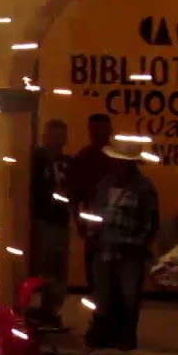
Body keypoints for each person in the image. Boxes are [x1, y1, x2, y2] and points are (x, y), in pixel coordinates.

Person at [84, 140, 159, 350]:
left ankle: (126, 335)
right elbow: (93, 213)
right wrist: (92, 236)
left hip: (130, 249)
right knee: (103, 292)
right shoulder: (104, 185)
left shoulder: (144, 188)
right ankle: (105, 333)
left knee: (129, 293)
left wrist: (139, 243)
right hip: (104, 246)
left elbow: (150, 221)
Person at [29, 119, 71, 326]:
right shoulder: (36, 160)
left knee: (57, 268)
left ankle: (50, 310)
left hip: (60, 221)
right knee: (43, 266)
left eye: (60, 137)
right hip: (42, 220)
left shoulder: (67, 163)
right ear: (45, 137)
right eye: (53, 137)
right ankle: (37, 309)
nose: (57, 141)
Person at [69, 113, 114, 292]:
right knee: (95, 270)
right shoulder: (84, 157)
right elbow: (75, 193)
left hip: (112, 223)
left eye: (99, 130)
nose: (96, 134)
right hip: (95, 223)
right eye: (93, 130)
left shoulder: (117, 159)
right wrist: (78, 220)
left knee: (108, 270)